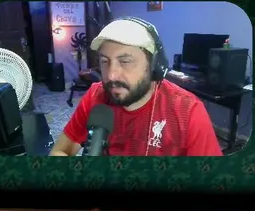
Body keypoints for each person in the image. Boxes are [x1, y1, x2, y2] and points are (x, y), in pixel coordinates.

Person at [50, 18, 223, 157]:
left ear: (154, 66)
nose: (111, 75)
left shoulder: (188, 112)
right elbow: (60, 151)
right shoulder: (96, 96)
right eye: (105, 61)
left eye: (125, 61)